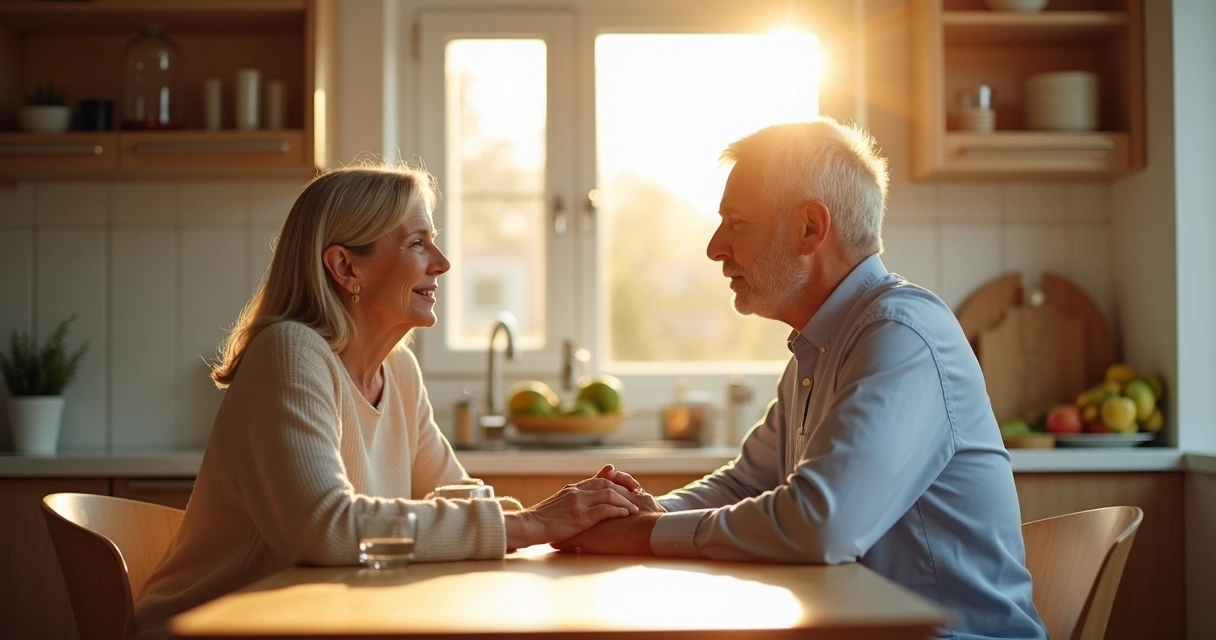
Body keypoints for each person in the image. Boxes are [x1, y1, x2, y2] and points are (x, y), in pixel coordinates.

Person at [558, 118, 1047, 640]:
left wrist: (648, 533)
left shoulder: (900, 334)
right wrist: (647, 510)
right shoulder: (821, 349)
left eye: (736, 222)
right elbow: (747, 482)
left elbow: (822, 525)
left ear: (811, 228)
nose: (715, 247)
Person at [134, 165, 642, 636]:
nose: (441, 264)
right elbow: (326, 529)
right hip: (210, 630)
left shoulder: (398, 369)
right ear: (345, 267)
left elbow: (453, 494)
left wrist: (566, 520)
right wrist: (530, 524)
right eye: (418, 244)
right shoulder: (290, 354)